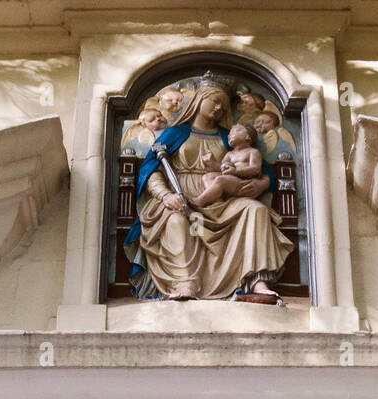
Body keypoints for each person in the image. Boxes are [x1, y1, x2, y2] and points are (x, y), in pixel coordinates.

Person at [124, 82, 293, 300]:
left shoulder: (227, 137)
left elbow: (261, 169)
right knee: (177, 221)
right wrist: (165, 195)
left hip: (219, 198)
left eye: (223, 105)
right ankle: (185, 282)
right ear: (198, 100)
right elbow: (151, 170)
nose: (219, 108)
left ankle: (256, 280)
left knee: (256, 210)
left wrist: (261, 184)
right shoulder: (175, 133)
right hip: (180, 196)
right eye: (215, 101)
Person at [190, 122, 263, 207]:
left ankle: (200, 200)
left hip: (243, 183)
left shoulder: (253, 152)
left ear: (248, 136)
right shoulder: (229, 154)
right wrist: (212, 162)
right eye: (229, 133)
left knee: (221, 179)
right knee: (207, 177)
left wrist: (236, 171)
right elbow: (222, 168)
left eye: (236, 131)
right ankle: (217, 200)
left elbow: (256, 169)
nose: (229, 135)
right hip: (230, 181)